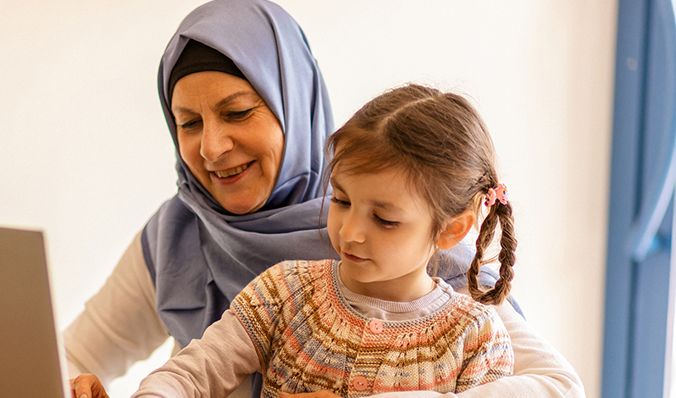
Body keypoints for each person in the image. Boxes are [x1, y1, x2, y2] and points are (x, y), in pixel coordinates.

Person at [67, 1, 584, 397]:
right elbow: (84, 356)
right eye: (188, 123)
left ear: (294, 105)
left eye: (239, 113)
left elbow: (556, 385)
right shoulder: (185, 237)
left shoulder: (431, 253)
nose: (211, 147)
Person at [131, 83, 516, 397]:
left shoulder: (476, 338)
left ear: (452, 229)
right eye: (342, 200)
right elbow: (190, 374)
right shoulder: (284, 291)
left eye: (384, 219)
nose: (349, 232)